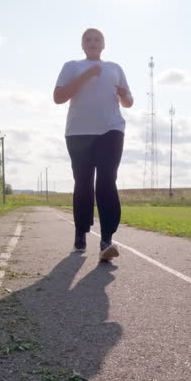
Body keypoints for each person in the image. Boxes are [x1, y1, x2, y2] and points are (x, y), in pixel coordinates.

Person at [53, 28, 133, 261]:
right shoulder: (72, 66)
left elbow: (128, 102)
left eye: (97, 39)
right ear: (82, 44)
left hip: (112, 129)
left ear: (104, 44)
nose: (93, 42)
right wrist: (86, 75)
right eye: (88, 39)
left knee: (107, 180)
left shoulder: (115, 68)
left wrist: (125, 95)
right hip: (79, 132)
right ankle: (81, 231)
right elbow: (59, 97)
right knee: (84, 183)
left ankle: (107, 238)